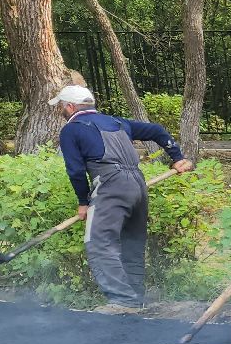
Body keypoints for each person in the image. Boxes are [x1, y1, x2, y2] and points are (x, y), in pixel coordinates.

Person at [54, 83, 193, 310]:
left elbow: (76, 170)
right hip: (137, 185)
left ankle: (123, 301)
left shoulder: (71, 129)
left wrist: (83, 202)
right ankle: (136, 301)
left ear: (69, 106)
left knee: (98, 243)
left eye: (61, 106)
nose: (60, 110)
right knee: (132, 245)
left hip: (109, 185)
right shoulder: (117, 122)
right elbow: (157, 130)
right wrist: (176, 157)